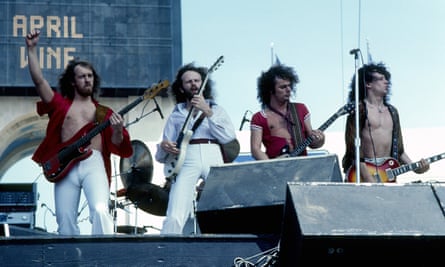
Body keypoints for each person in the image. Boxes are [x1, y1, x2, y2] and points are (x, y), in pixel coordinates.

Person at [25, 29, 133, 235]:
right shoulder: (60, 105)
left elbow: (119, 145)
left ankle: (104, 259)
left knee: (101, 210)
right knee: (65, 220)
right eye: (82, 76)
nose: (87, 80)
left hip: (94, 163)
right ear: (73, 82)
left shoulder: (104, 112)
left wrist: (118, 129)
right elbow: (40, 82)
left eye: (90, 76)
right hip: (66, 166)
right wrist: (31, 50)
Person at [155, 62, 236, 235]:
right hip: (186, 157)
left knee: (225, 204)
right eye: (189, 81)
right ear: (181, 88)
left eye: (197, 80)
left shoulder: (216, 109)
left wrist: (207, 112)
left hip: (212, 152)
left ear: (203, 83)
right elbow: (161, 156)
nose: (193, 84)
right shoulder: (176, 114)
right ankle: (167, 252)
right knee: (176, 211)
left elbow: (228, 137)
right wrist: (164, 146)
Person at [342, 62, 429, 182]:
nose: (386, 82)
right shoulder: (358, 109)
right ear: (368, 84)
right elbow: (353, 149)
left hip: (387, 174)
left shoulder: (393, 111)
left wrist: (416, 167)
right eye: (381, 79)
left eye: (386, 79)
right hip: (362, 174)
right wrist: (368, 178)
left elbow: (399, 150)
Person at [250, 64, 325, 160]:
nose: (288, 90)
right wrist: (270, 165)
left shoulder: (301, 109)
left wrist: (320, 139)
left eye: (289, 86)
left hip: (302, 167)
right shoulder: (259, 117)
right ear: (270, 90)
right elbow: (255, 149)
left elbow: (312, 143)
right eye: (283, 87)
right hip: (275, 171)